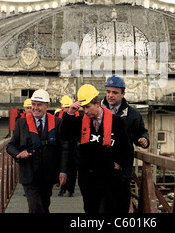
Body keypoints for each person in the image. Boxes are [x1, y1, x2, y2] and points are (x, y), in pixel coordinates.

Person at [61, 84, 133, 213]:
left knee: (109, 209)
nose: (86, 111)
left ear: (97, 104)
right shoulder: (80, 122)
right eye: (83, 108)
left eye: (88, 107)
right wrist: (70, 113)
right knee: (90, 210)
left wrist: (120, 165)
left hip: (110, 177)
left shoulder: (116, 122)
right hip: (88, 178)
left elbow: (126, 148)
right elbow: (65, 135)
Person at [6, 89, 69, 213]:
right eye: (33, 104)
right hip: (28, 173)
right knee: (35, 207)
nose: (35, 108)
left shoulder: (58, 123)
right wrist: (18, 154)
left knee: (44, 205)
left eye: (39, 105)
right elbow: (10, 146)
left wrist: (63, 171)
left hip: (48, 174)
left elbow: (64, 150)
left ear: (47, 106)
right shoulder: (21, 123)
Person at [102, 74, 150, 211]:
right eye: (108, 91)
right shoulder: (98, 112)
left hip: (123, 171)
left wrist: (144, 140)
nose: (110, 95)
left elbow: (141, 132)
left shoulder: (133, 115)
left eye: (115, 92)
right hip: (101, 170)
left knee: (121, 207)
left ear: (123, 94)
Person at [55, 95, 78, 197]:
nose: (67, 109)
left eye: (69, 107)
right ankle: (62, 188)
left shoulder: (76, 116)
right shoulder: (57, 115)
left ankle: (70, 189)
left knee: (72, 168)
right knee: (62, 167)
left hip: (73, 146)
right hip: (62, 145)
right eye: (66, 107)